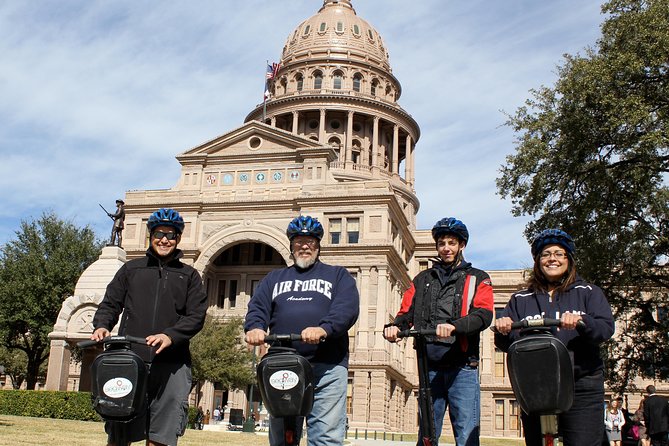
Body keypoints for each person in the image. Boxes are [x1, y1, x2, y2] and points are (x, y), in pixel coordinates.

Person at [91, 208, 208, 446]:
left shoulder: (189, 275)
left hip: (172, 362)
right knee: (119, 430)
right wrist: (102, 325)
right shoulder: (131, 270)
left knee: (161, 435)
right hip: (130, 360)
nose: (165, 239)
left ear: (178, 238)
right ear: (150, 235)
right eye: (159, 233)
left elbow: (196, 316)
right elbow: (110, 303)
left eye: (171, 234)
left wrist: (170, 336)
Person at [244, 215, 360, 446]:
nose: (304, 246)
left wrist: (324, 329)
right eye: (299, 241)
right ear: (291, 245)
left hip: (326, 365)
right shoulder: (274, 278)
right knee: (281, 438)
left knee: (324, 437)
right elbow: (258, 307)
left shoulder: (337, 275)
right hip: (283, 365)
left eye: (311, 241)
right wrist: (255, 328)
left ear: (318, 246)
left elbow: (347, 308)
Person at [494, 228, 615, 446]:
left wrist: (582, 321)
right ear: (538, 261)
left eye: (559, 253)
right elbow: (508, 344)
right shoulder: (521, 298)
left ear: (569, 259)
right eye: (546, 254)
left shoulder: (588, 292)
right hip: (536, 386)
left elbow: (605, 329)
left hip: (581, 384)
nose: (552, 259)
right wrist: (504, 329)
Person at [383, 217, 494, 446]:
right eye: (442, 243)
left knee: (466, 435)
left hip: (462, 367)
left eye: (452, 243)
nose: (446, 248)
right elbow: (407, 313)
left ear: (461, 245)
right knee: (427, 435)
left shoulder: (478, 278)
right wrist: (395, 327)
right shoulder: (422, 279)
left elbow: (483, 315)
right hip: (429, 369)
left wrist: (455, 326)